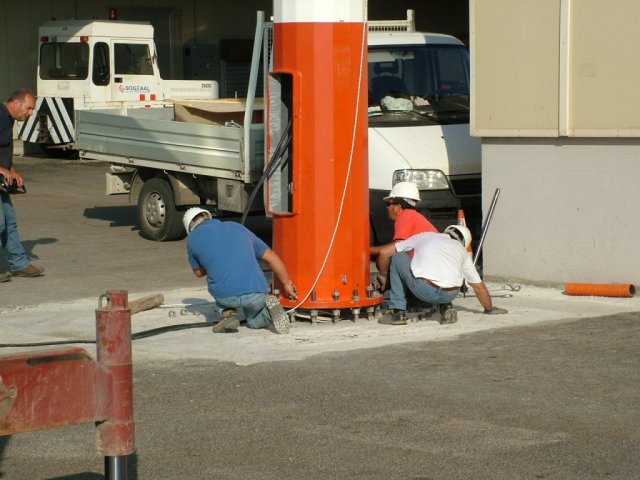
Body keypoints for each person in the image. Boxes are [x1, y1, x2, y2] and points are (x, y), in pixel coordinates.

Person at [184, 207, 298, 334]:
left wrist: (212, 264)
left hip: (225, 296)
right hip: (256, 293)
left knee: (214, 279)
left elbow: (198, 273)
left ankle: (228, 314)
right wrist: (287, 284)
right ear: (209, 217)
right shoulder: (237, 227)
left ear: (190, 229)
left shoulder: (192, 239)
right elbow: (271, 257)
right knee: (255, 322)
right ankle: (266, 313)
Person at [378, 225, 507, 326]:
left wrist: (383, 276)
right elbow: (479, 287)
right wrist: (489, 309)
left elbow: (385, 252)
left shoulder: (425, 236)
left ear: (446, 232)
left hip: (424, 291)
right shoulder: (461, 250)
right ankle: (446, 306)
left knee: (398, 257)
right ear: (463, 242)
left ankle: (397, 311)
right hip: (450, 294)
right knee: (447, 274)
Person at [0, 89, 44, 283]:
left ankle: (19, 265)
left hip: (1, 182)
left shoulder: (8, 120)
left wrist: (12, 169)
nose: (30, 113)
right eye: (29, 108)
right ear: (16, 103)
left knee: (10, 221)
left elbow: (4, 152)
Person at [370, 181, 437, 292]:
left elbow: (394, 248)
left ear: (398, 207)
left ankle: (397, 299)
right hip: (435, 275)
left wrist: (367, 251)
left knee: (392, 259)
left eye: (388, 204)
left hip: (428, 279)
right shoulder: (415, 216)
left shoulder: (406, 216)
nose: (387, 208)